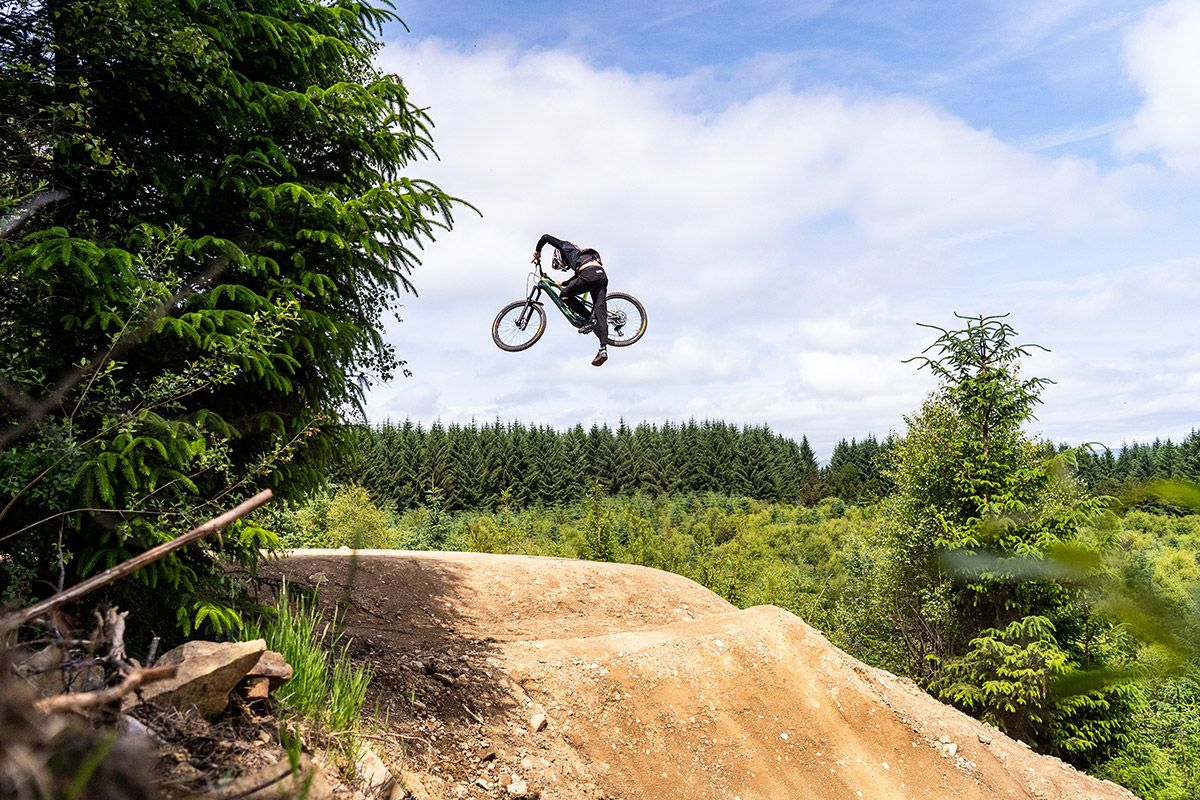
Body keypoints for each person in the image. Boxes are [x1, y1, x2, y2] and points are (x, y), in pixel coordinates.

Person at [532, 233, 609, 366]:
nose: (565, 266)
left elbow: (545, 237)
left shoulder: (566, 247)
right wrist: (562, 283)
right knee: (600, 310)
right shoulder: (582, 257)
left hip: (588, 275)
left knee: (565, 296)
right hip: (601, 275)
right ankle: (603, 349)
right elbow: (580, 276)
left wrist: (537, 252)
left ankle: (589, 318)